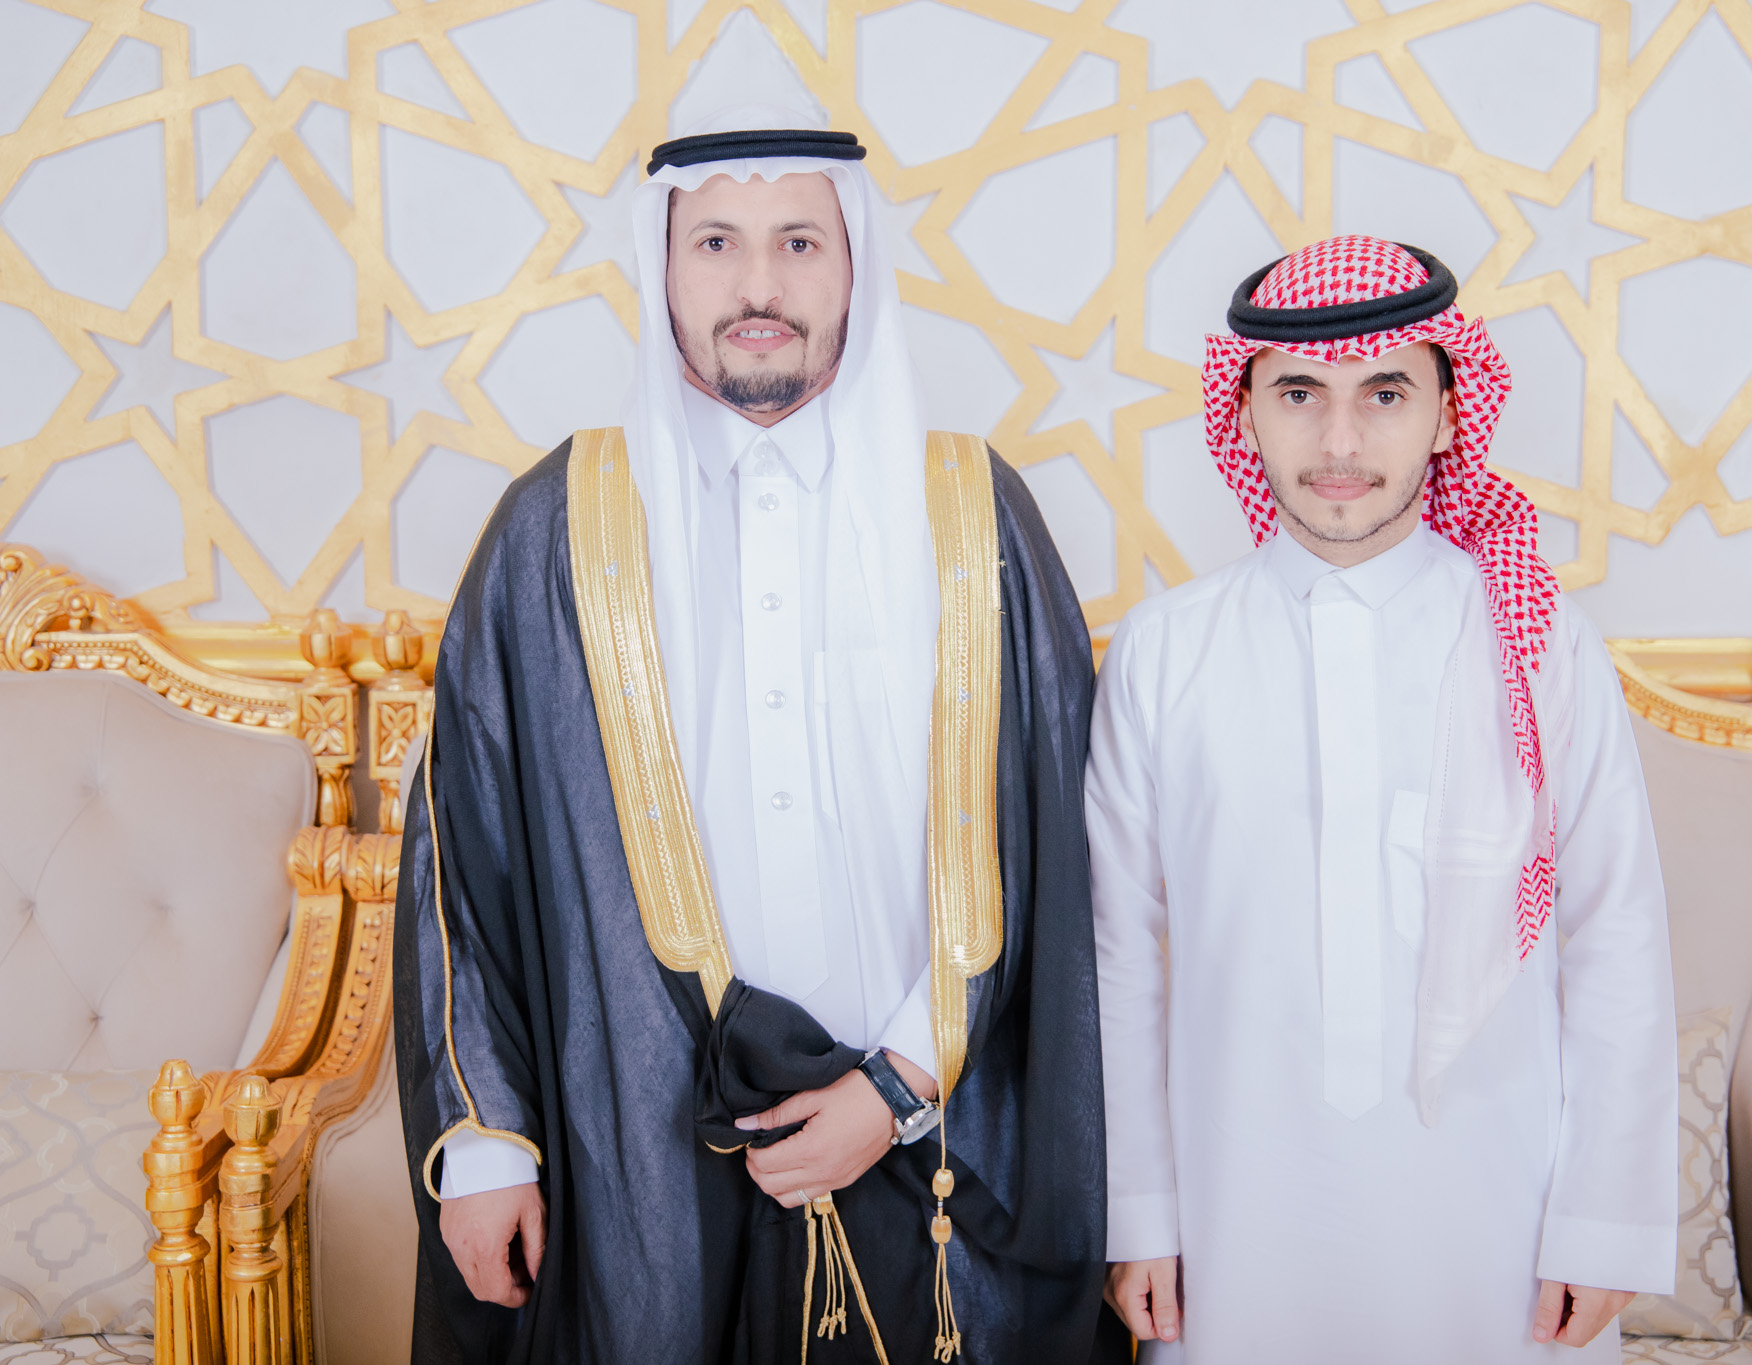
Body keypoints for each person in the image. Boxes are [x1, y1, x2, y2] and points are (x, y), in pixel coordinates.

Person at [394, 107, 1111, 1364]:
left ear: (855, 266)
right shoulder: (555, 527)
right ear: (663, 269)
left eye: (799, 242)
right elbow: (465, 858)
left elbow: (1050, 844)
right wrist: (487, 1147)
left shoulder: (971, 514)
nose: (758, 285)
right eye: (716, 242)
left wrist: (895, 1085)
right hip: (641, 1149)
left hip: (931, 1132)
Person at [1087, 235, 1677, 1360]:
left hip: (1500, 1226)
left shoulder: (1541, 645)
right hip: (1232, 1218)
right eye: (1299, 394)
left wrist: (1603, 1219)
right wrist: (1139, 1213)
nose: (1341, 442)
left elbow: (1617, 933)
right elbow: (1115, 955)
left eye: (1386, 394)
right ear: (1243, 410)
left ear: (1450, 413)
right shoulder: (1164, 654)